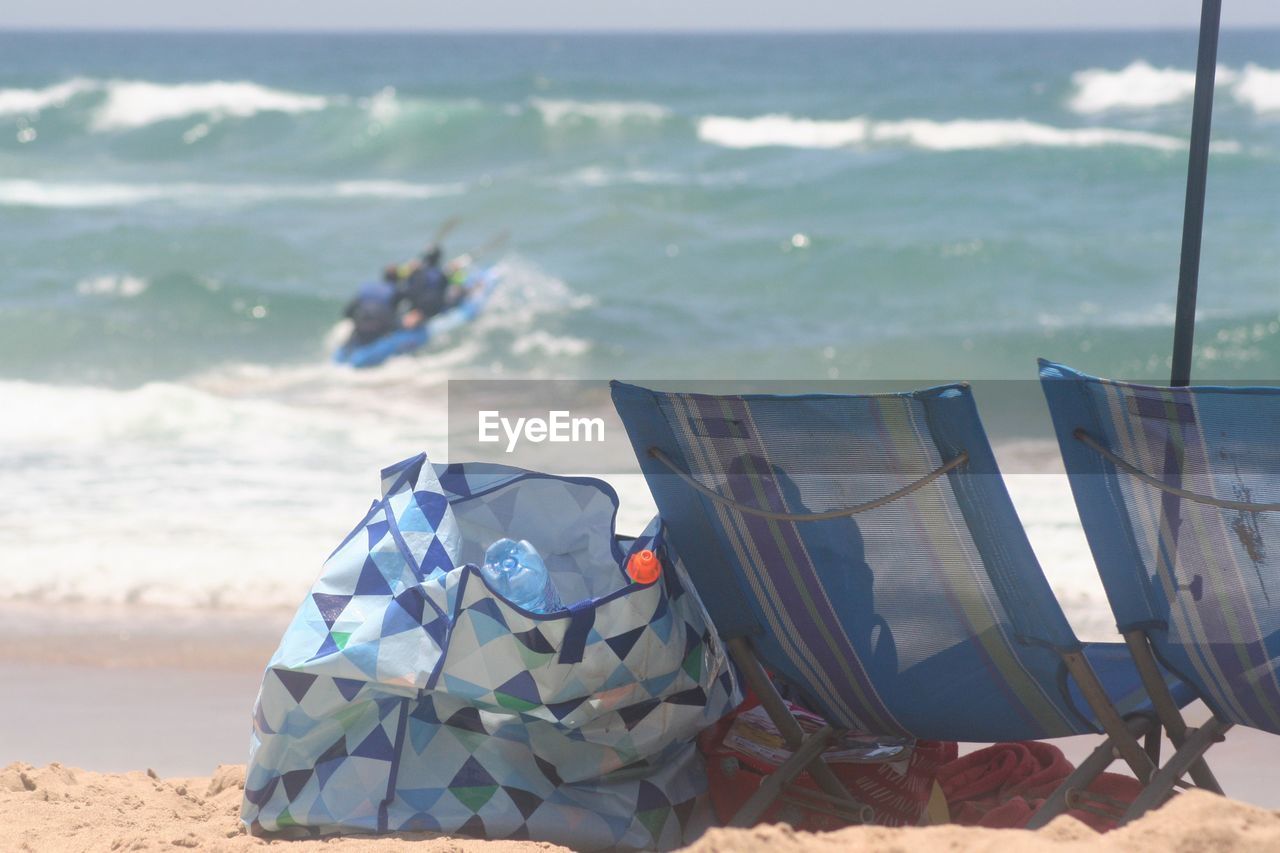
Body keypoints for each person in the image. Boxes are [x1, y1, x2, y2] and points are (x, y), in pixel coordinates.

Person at [397, 246, 451, 328]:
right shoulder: (441, 274)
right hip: (432, 307)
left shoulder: (417, 272)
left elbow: (409, 289)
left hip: (418, 305)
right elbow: (444, 290)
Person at [342, 277, 400, 347]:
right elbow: (394, 317)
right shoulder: (395, 292)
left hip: (360, 328)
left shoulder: (367, 290)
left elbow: (347, 313)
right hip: (378, 330)